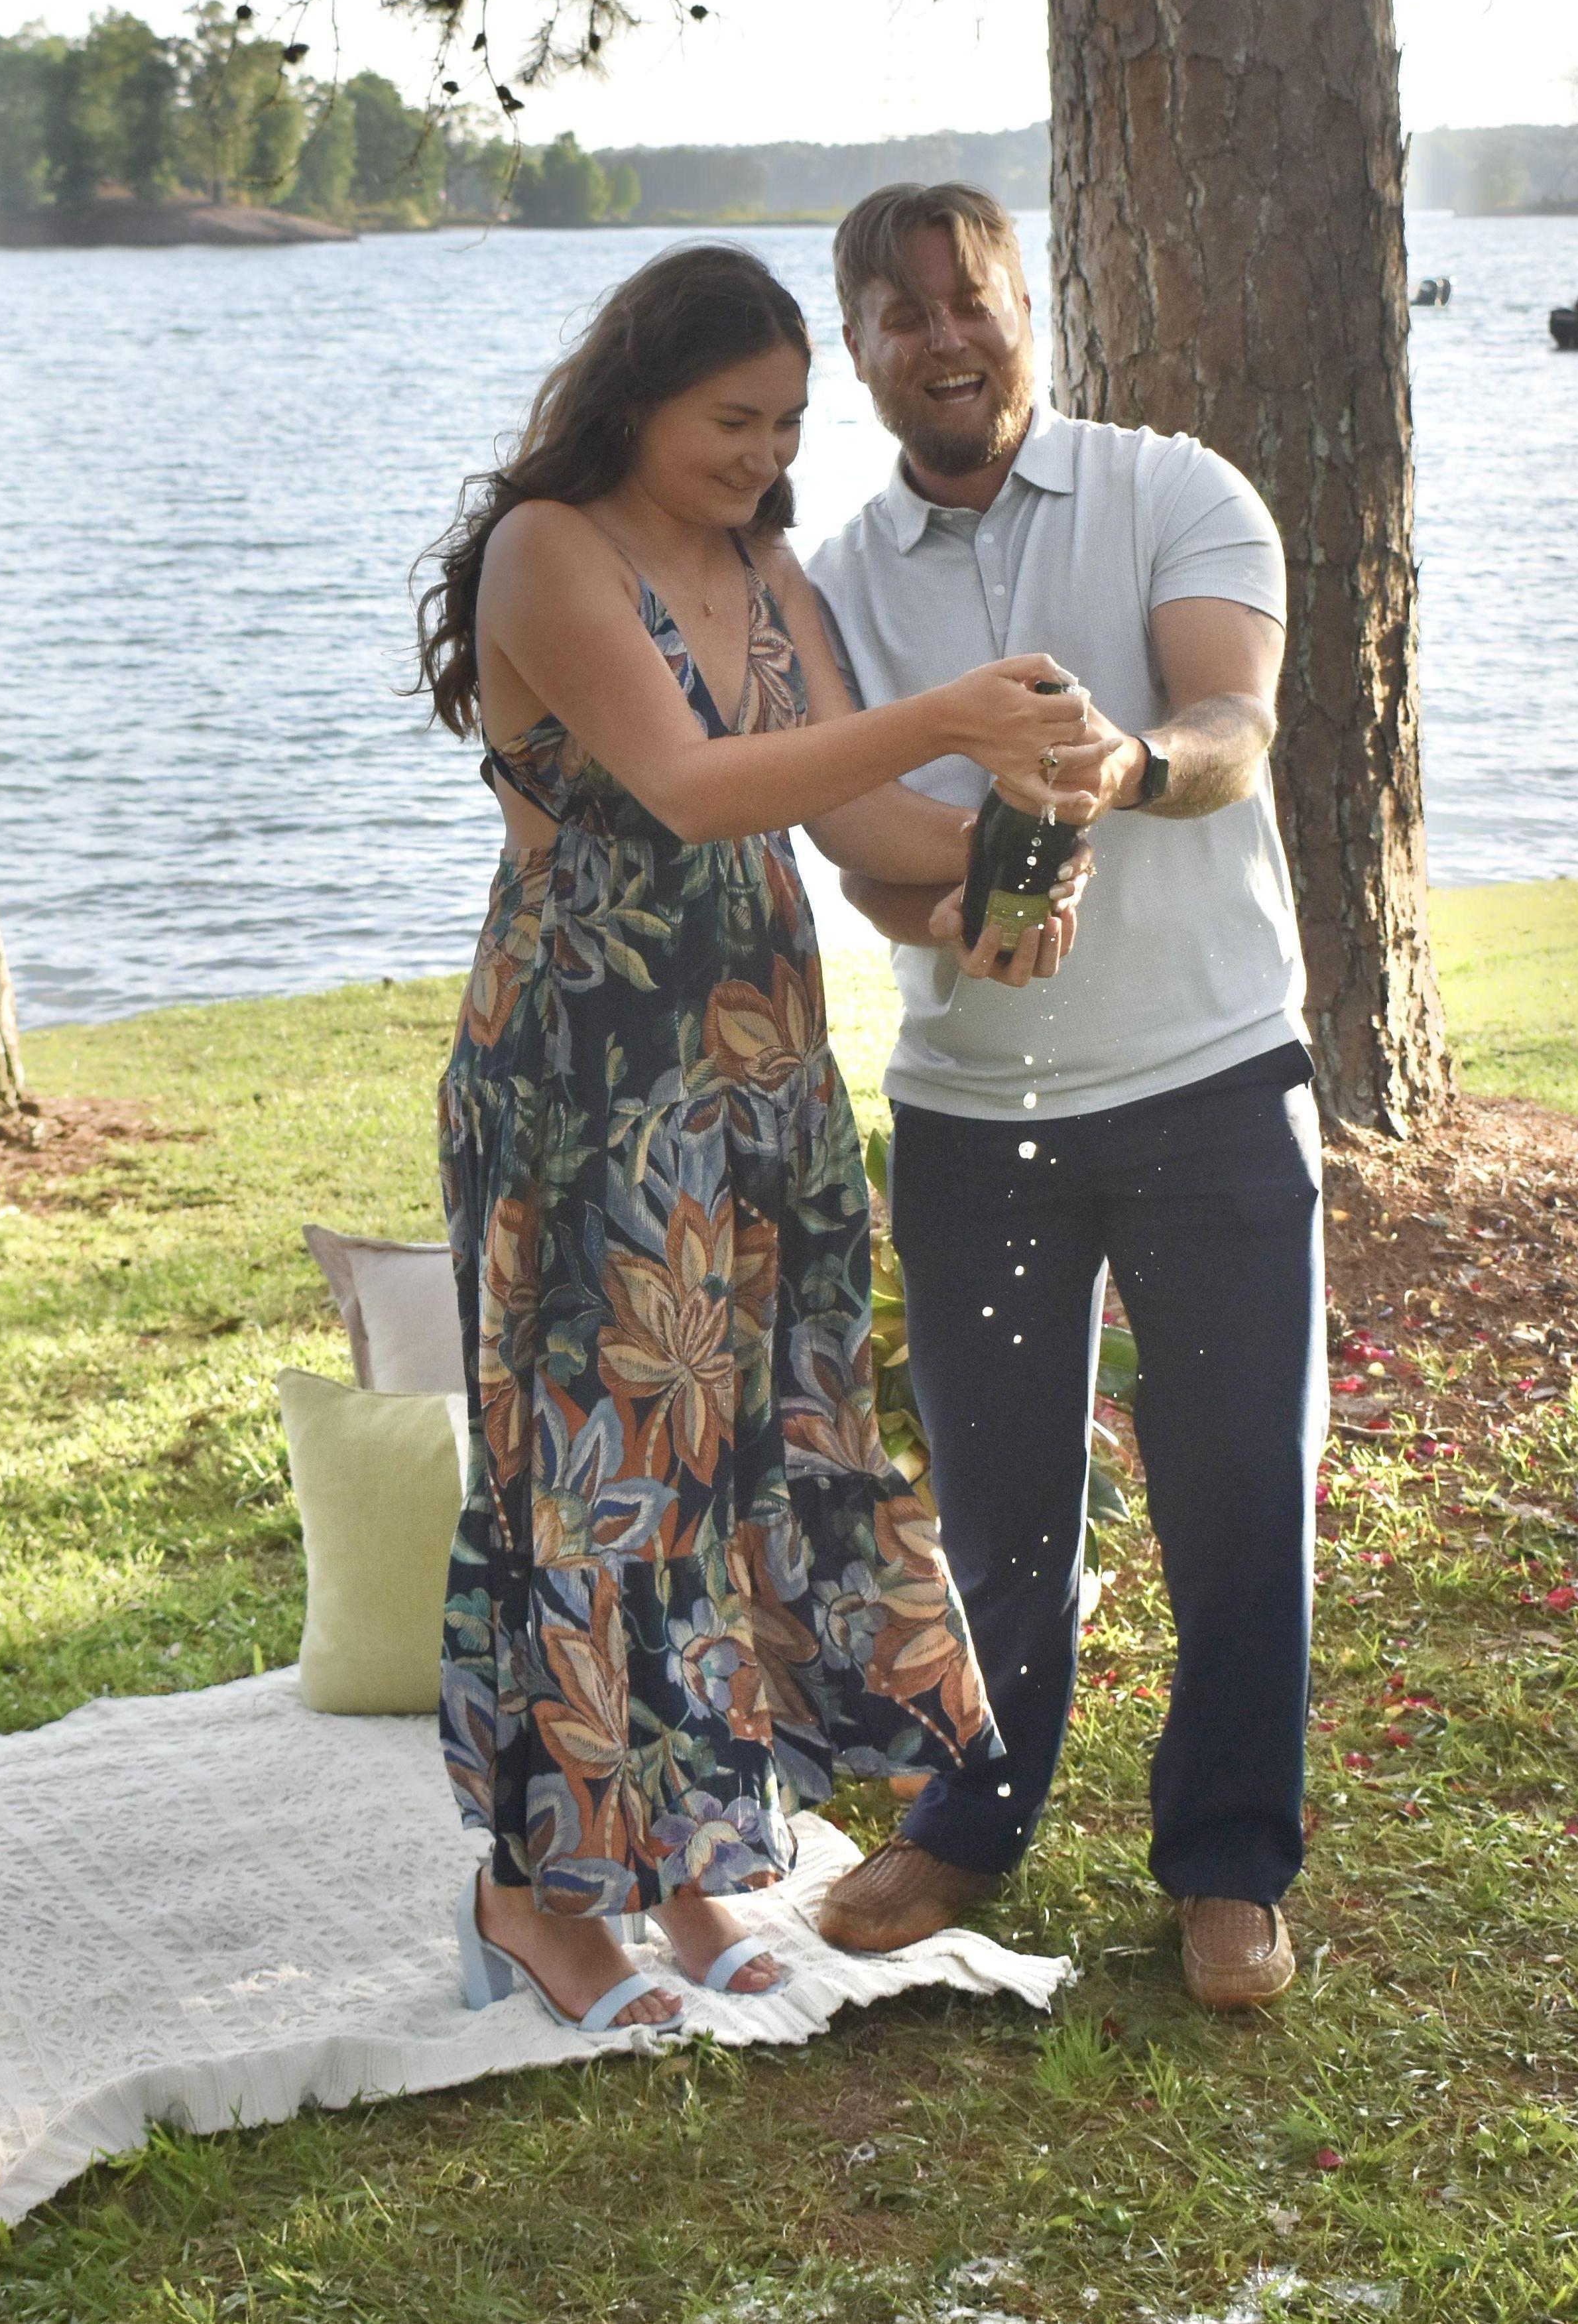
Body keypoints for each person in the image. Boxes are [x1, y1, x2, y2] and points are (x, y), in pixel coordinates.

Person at [416, 243, 1085, 2034]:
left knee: (732, 1458)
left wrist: (1025, 839)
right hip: (586, 1075)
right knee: (593, 1469)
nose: (763, 453)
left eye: (788, 423)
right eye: (732, 419)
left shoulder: (763, 568)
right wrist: (951, 714)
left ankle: (690, 1862)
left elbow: (852, 814)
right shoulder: (549, 550)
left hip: (757, 1058)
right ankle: (535, 1896)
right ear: (637, 394)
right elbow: (695, 785)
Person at [801, 183, 1325, 2012]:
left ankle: (1229, 1863)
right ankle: (974, 1816)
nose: (944, 338)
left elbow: (1232, 727)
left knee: (1238, 1487)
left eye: (972, 299)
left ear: (1028, 307)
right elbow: (856, 847)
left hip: (1211, 1075)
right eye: (903, 314)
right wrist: (952, 904)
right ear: (858, 349)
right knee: (999, 1508)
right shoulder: (833, 582)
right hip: (975, 1108)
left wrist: (1123, 768)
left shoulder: (1173, 490)